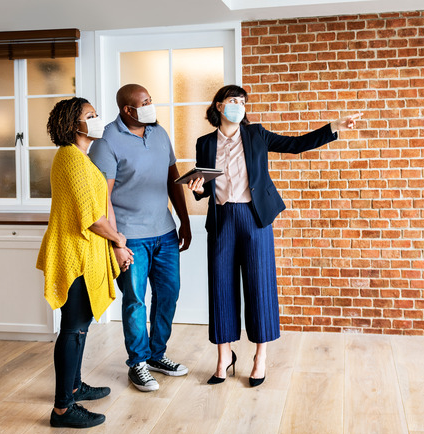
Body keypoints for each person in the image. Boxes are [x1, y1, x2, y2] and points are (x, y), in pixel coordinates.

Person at [187, 85, 361, 387]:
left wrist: (334, 127)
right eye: (232, 101)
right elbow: (204, 190)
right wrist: (198, 188)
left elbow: (296, 144)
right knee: (221, 287)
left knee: (259, 286)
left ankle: (260, 357)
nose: (238, 106)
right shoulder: (204, 143)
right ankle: (224, 357)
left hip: (255, 219)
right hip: (221, 220)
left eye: (242, 102)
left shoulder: (256, 136)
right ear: (218, 106)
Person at [37, 97, 134, 428]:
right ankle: (62, 408)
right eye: (89, 116)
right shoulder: (69, 158)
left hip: (86, 253)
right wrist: (119, 241)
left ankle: (75, 387)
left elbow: (100, 205)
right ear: (72, 124)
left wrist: (115, 243)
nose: (95, 120)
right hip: (74, 256)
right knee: (73, 329)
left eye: (96, 115)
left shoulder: (82, 158)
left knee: (79, 326)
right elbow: (90, 217)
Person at [88, 84, 191, 392]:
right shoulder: (106, 141)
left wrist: (184, 221)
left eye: (151, 100)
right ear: (127, 110)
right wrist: (117, 242)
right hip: (130, 237)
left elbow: (174, 179)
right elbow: (102, 198)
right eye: (144, 102)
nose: (151, 106)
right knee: (135, 300)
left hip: (165, 233)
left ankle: (157, 355)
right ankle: (138, 363)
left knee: (168, 294)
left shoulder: (159, 133)